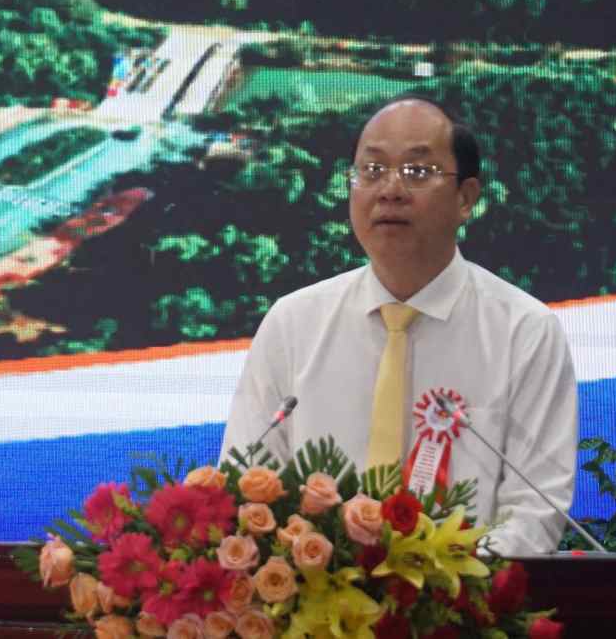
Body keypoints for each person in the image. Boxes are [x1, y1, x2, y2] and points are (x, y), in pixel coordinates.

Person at [219, 94, 578, 555]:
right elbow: (247, 484)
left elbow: (533, 514)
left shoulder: (525, 332)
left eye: (417, 171)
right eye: (371, 171)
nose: (390, 189)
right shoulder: (292, 323)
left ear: (465, 198)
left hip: (465, 596)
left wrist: (440, 581)